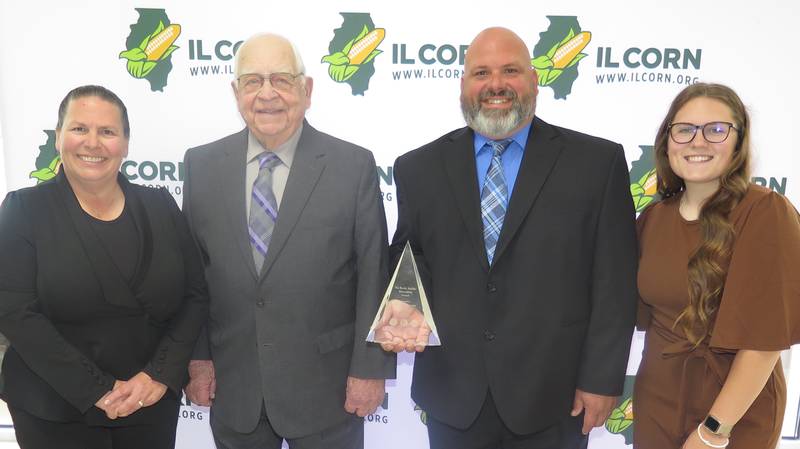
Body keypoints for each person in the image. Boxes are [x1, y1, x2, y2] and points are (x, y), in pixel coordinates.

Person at [384, 27, 638, 449]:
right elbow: (411, 258)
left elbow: (615, 282)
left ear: (535, 81)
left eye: (511, 70)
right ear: (463, 85)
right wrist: (404, 302)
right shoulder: (418, 167)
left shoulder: (597, 163)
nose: (496, 84)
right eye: (481, 72)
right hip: (453, 396)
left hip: (554, 398)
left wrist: (601, 379)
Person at [182, 33, 395, 449]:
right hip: (235, 387)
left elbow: (374, 272)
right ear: (236, 92)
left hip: (328, 391)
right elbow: (194, 275)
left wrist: (370, 369)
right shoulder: (201, 165)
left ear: (307, 89)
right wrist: (198, 358)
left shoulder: (352, 165)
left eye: (281, 79)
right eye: (252, 81)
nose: (267, 94)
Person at [0, 85, 209, 449]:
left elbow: (194, 295)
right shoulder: (23, 210)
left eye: (107, 132)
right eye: (79, 129)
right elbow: (15, 311)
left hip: (149, 403)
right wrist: (98, 389)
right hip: (54, 408)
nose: (92, 143)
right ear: (58, 138)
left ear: (126, 144)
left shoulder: (160, 205)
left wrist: (158, 375)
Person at [634, 83, 800, 449]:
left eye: (716, 129)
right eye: (685, 130)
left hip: (734, 411)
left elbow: (763, 344)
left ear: (738, 142)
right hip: (657, 402)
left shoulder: (765, 212)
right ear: (667, 140)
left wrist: (713, 431)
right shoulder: (652, 218)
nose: (698, 141)